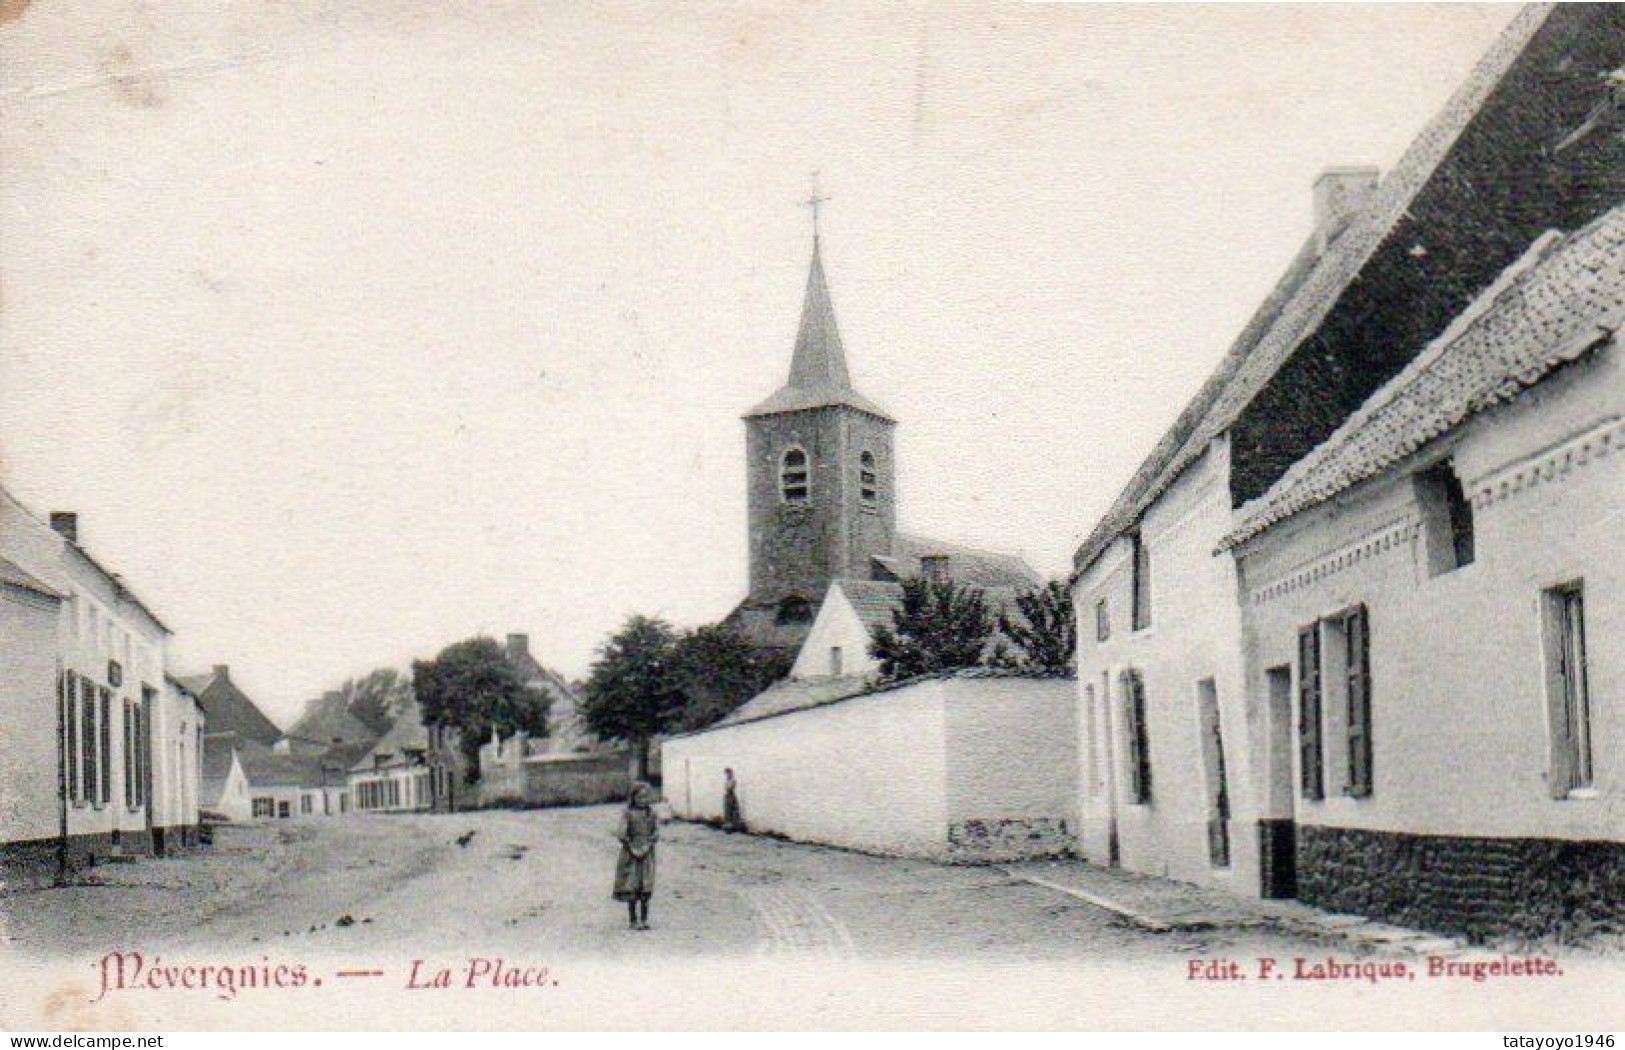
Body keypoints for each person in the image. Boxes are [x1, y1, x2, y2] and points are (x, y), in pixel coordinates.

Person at [613, 782, 659, 930]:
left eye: (646, 797)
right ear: (633, 797)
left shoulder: (651, 814)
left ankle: (644, 919)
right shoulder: (628, 814)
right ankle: (633, 920)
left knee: (645, 885)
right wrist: (631, 846)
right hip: (631, 854)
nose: (643, 800)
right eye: (640, 797)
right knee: (632, 885)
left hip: (647, 854)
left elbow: (655, 832)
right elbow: (621, 833)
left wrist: (649, 843)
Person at [722, 768, 744, 833]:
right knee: (727, 810)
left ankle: (734, 825)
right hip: (727, 796)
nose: (727, 774)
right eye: (726, 773)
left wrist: (728, 791)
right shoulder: (727, 780)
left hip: (731, 796)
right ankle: (729, 825)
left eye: (728, 773)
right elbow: (726, 788)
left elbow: (729, 788)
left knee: (733, 810)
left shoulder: (733, 780)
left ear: (731, 773)